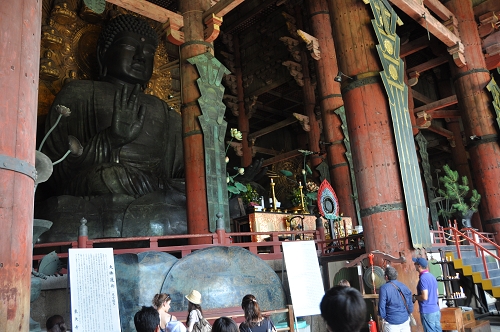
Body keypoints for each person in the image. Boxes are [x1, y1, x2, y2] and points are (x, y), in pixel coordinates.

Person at [39, 14, 186, 239]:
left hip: (153, 187)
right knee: (108, 175)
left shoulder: (163, 110)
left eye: (148, 53)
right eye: (130, 47)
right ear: (102, 53)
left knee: (194, 192)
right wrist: (110, 139)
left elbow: (182, 171)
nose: (140, 57)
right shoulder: (78, 93)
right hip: (99, 183)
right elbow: (53, 172)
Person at [378, 266, 413, 332]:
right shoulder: (403, 286)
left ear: (386, 277)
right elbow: (409, 302)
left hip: (391, 322)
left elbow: (381, 306)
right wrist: (409, 312)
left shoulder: (384, 288)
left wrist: (384, 317)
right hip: (405, 319)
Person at [412, 257, 441, 332]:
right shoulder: (432, 276)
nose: (414, 265)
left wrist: (415, 297)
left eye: (415, 263)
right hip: (436, 310)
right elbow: (437, 293)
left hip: (428, 311)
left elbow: (424, 297)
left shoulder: (423, 278)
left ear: (419, 266)